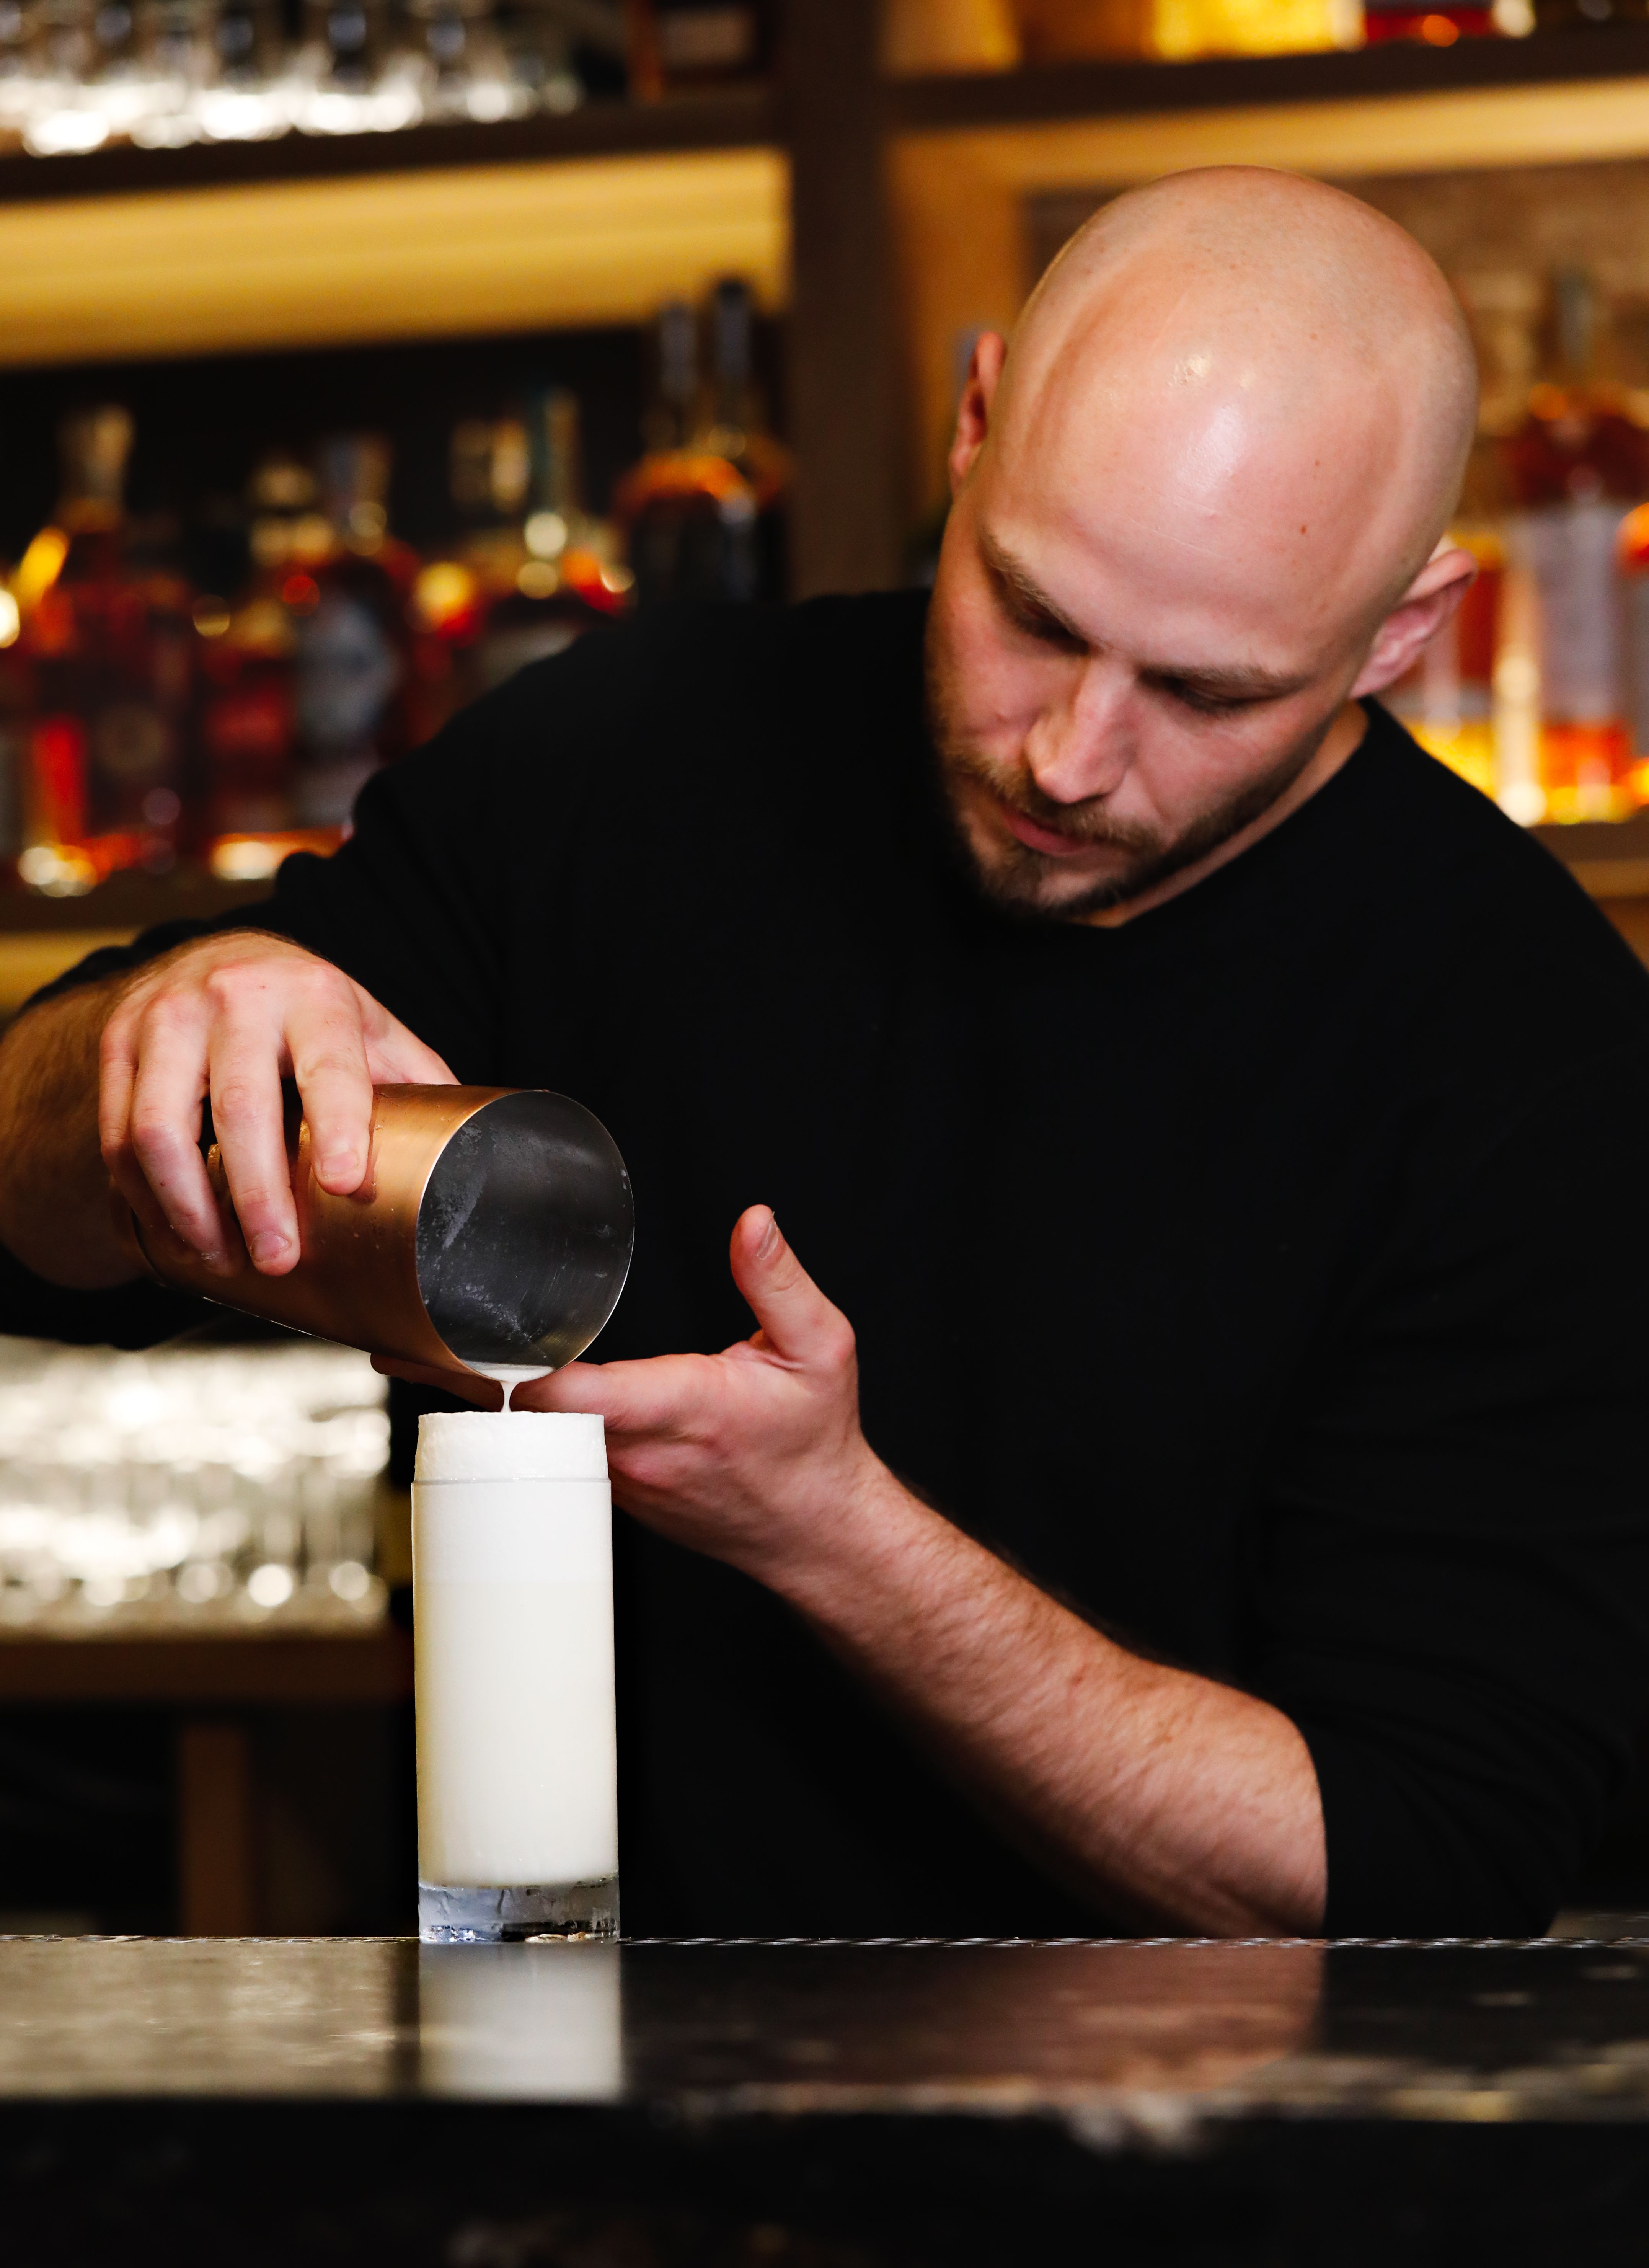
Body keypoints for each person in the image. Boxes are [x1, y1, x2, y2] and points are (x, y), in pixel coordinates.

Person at [2, 167, 1647, 1939]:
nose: (1073, 756)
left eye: (1205, 693)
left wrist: (836, 1531)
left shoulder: (1530, 1052)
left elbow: (1421, 1867)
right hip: (570, 2109)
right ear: (971, 423)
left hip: (1217, 2180)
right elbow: (26, 1226)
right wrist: (150, 1045)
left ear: (1402, 633)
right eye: (1030, 612)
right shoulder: (621, 761)